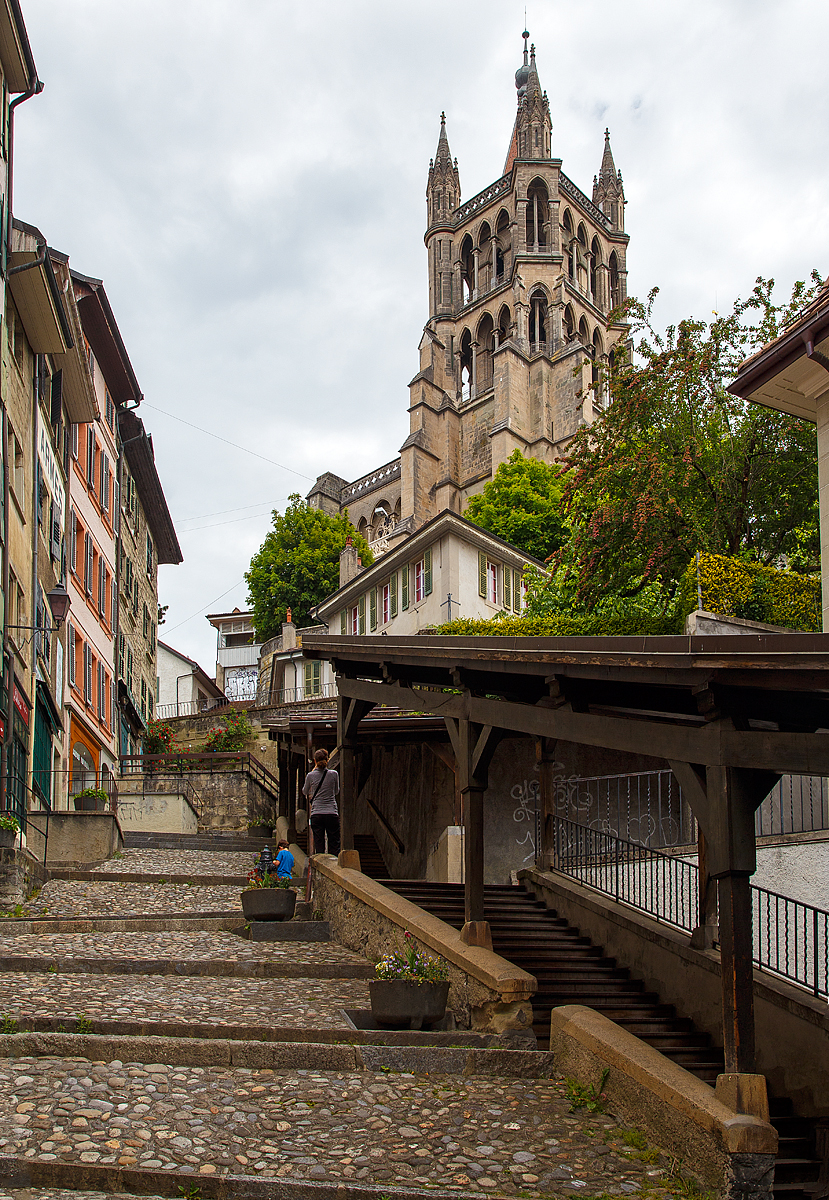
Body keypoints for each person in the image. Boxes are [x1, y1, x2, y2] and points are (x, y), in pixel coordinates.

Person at [302, 747, 340, 857]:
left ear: (315, 761)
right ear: (327, 760)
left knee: (319, 842)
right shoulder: (334, 774)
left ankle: (320, 862)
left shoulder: (310, 775)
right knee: (334, 842)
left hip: (317, 813)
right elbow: (336, 791)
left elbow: (304, 791)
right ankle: (334, 863)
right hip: (332, 812)